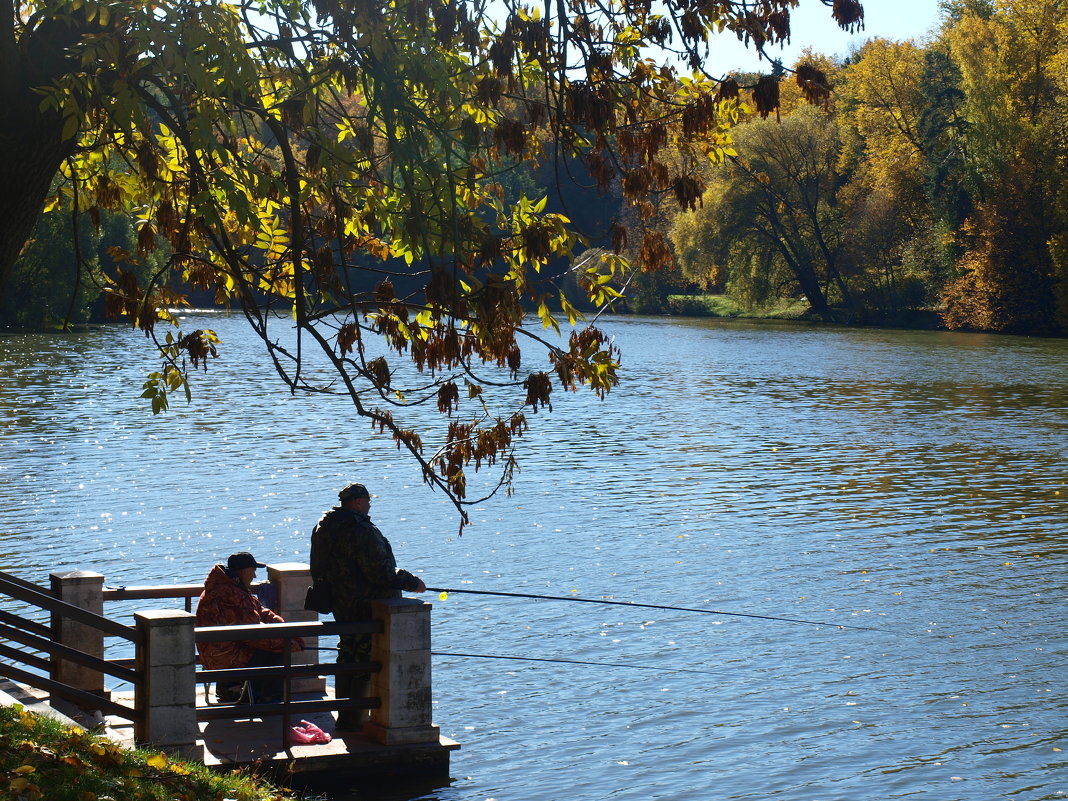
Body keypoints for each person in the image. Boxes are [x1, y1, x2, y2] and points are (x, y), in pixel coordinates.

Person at [310, 482, 426, 731]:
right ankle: (355, 721)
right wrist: (411, 582)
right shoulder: (360, 529)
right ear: (358, 502)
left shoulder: (324, 526)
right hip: (365, 607)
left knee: (347, 654)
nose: (370, 505)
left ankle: (346, 715)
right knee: (364, 659)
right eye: (367, 501)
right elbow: (379, 572)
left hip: (340, 604)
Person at [196, 551, 302, 703]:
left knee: (273, 648)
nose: (254, 576)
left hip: (217, 652)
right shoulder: (232, 594)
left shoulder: (229, 588)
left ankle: (241, 692)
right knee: (278, 652)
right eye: (253, 571)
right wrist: (288, 642)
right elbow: (253, 635)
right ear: (244, 571)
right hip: (223, 656)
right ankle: (266, 700)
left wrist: (283, 627)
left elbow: (259, 611)